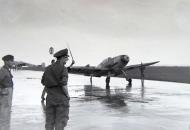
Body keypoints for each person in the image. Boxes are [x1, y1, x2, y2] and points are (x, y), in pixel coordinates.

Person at [41, 48, 74, 130]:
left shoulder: (48, 68)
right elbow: (64, 85)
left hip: (50, 99)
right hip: (61, 100)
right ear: (62, 57)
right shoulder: (63, 69)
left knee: (49, 123)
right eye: (66, 57)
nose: (67, 60)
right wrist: (68, 95)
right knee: (60, 123)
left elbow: (43, 82)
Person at [0, 55, 14, 130]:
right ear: (6, 61)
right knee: (3, 117)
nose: (12, 62)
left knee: (7, 116)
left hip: (7, 97)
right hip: (4, 97)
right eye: (11, 61)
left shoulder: (7, 70)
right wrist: (2, 91)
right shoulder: (2, 70)